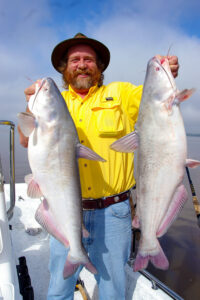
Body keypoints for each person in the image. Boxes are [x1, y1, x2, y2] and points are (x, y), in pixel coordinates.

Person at [18, 33, 179, 300]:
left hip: (113, 213)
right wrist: (30, 105)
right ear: (64, 67)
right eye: (75, 60)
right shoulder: (54, 101)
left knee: (112, 289)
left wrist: (167, 74)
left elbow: (158, 100)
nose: (82, 65)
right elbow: (26, 141)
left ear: (100, 66)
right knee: (58, 289)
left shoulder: (121, 94)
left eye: (89, 59)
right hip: (63, 210)